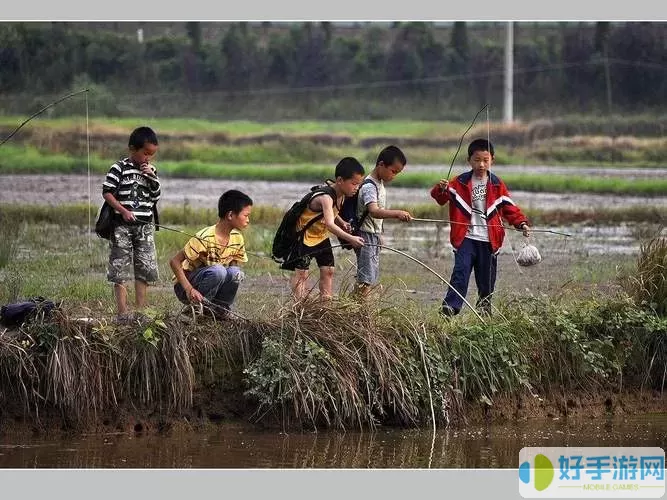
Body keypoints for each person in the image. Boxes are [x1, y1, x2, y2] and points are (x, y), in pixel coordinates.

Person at [430, 138, 531, 317]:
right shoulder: (459, 182)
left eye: (486, 160)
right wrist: (441, 188)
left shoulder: (497, 185)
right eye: (477, 160)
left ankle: (484, 311)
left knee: (486, 282)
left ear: (492, 159)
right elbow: (440, 199)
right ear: (469, 160)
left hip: (489, 241)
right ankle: (450, 308)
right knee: (460, 273)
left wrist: (521, 223)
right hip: (466, 239)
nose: (481, 164)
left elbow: (509, 207)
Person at [282, 157, 366, 301]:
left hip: (320, 236)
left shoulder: (342, 195)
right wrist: (351, 238)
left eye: (358, 184)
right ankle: (299, 307)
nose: (356, 188)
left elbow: (333, 213)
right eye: (354, 184)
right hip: (305, 237)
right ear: (339, 180)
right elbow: (329, 224)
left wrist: (342, 221)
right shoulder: (326, 197)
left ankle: (325, 305)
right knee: (302, 273)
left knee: (328, 270)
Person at [103, 126, 161, 322]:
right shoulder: (119, 168)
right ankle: (122, 313)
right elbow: (107, 192)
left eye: (151, 155)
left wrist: (152, 177)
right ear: (132, 149)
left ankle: (141, 311)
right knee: (120, 268)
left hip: (144, 227)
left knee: (144, 267)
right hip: (122, 226)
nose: (147, 158)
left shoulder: (151, 171)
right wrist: (124, 211)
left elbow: (156, 196)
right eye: (145, 153)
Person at [169, 190, 253, 319]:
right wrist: (189, 289)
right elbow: (174, 262)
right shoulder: (205, 236)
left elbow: (233, 267)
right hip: (186, 287)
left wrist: (236, 277)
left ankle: (221, 310)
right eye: (246, 215)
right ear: (230, 215)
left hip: (213, 282)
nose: (248, 220)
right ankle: (195, 308)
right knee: (219, 271)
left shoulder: (237, 238)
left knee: (236, 272)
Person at [352, 145, 412, 298]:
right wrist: (397, 213)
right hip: (365, 236)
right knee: (365, 278)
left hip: (373, 235)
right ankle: (357, 307)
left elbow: (374, 216)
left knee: (369, 276)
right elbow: (374, 211)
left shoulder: (379, 183)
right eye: (393, 171)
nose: (394, 176)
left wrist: (379, 235)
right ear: (381, 165)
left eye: (397, 173)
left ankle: (357, 306)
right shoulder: (369, 186)